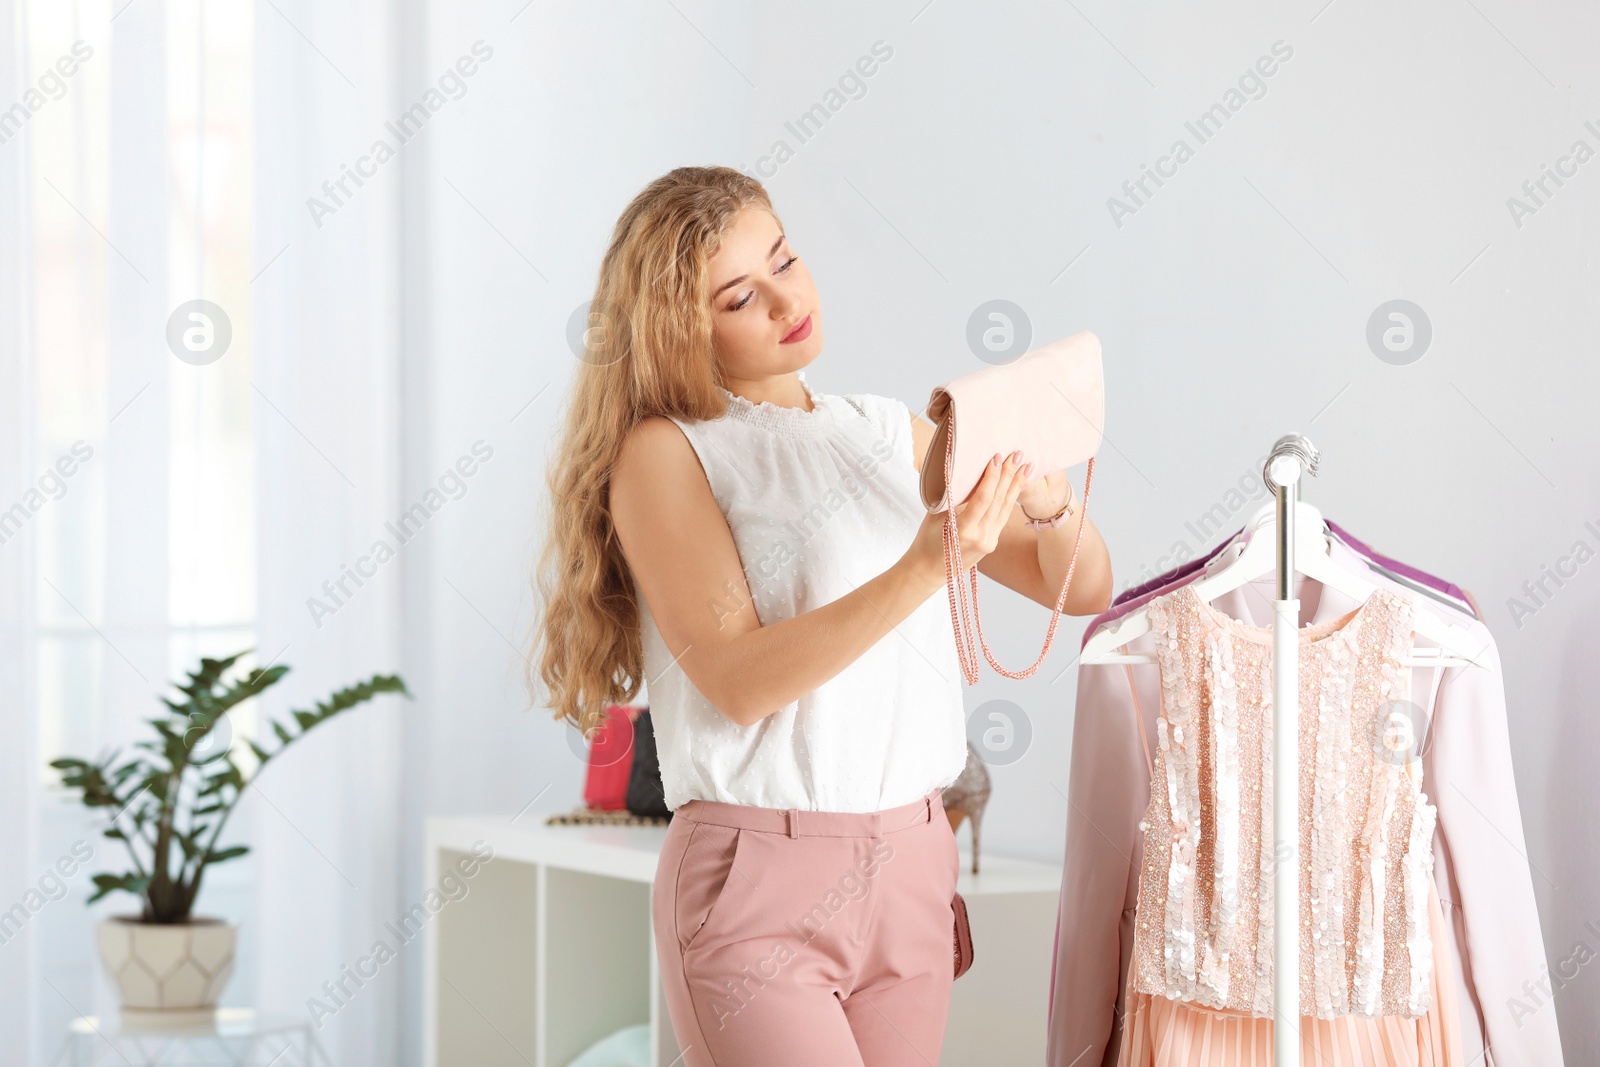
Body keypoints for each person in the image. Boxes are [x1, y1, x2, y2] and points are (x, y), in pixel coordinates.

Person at [529, 165, 1112, 1067]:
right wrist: (929, 564)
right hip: (760, 878)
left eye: (785, 259)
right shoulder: (668, 453)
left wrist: (1043, 496)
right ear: (683, 332)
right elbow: (737, 678)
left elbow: (1081, 587)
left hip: (913, 861)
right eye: (738, 296)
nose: (782, 299)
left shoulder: (890, 430)